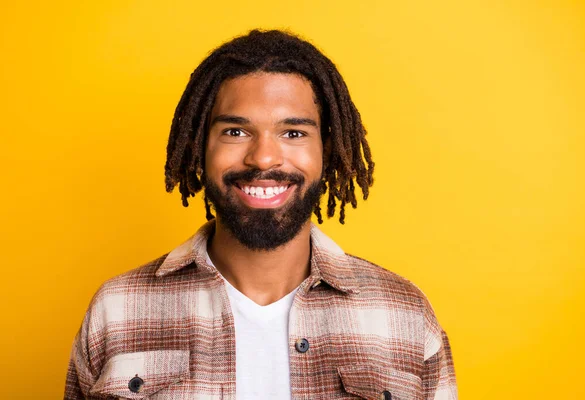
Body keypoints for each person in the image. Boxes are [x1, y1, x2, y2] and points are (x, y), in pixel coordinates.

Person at [64, 29, 457, 400]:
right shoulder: (117, 311)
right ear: (201, 149)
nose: (264, 157)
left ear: (328, 151)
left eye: (293, 133)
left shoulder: (403, 314)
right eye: (235, 132)